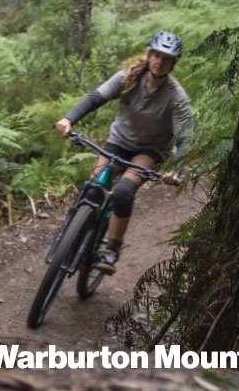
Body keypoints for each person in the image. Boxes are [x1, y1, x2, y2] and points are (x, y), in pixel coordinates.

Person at [54, 30, 194, 275]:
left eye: (166, 59)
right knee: (96, 186)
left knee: (123, 191)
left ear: (173, 64)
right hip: (119, 142)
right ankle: (75, 226)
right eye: (156, 55)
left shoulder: (177, 98)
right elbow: (95, 98)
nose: (159, 62)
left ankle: (111, 248)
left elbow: (184, 139)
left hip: (150, 151)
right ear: (149, 55)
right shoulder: (129, 77)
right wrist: (68, 119)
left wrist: (177, 170)